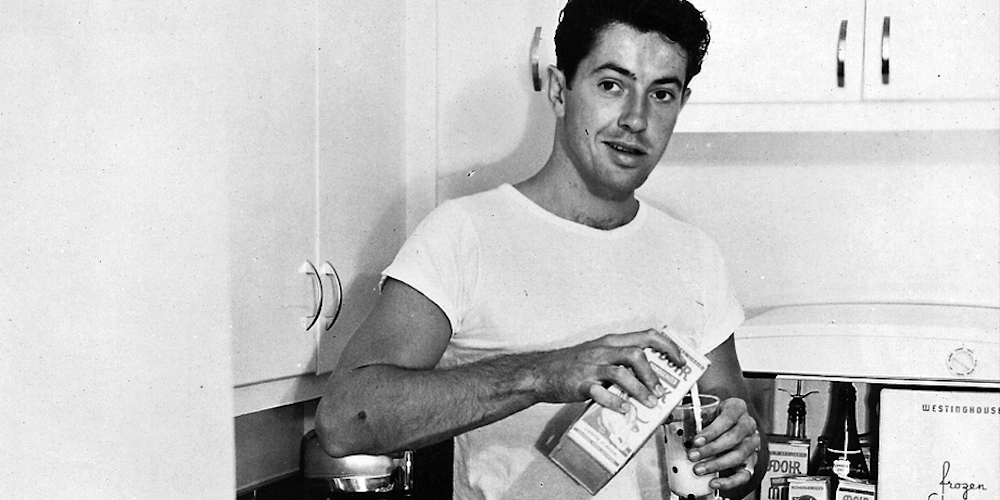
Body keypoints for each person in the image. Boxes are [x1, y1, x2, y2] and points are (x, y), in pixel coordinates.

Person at [316, 0, 768, 498]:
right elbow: (345, 420)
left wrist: (744, 447)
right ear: (559, 90)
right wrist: (541, 373)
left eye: (662, 93)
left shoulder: (695, 254)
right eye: (611, 85)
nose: (637, 119)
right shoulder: (464, 234)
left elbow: (741, 453)